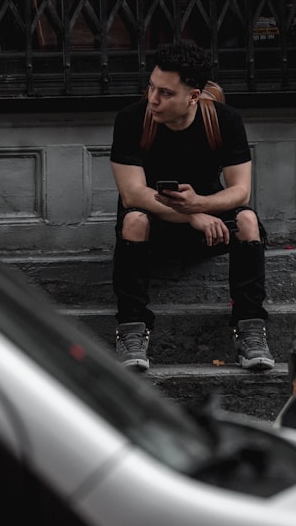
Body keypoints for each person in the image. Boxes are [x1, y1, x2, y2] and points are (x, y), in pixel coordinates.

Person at [109, 40, 273, 371]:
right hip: (155, 227)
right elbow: (133, 194)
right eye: (152, 87)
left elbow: (241, 191)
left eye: (166, 93)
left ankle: (250, 329)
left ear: (193, 96)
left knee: (247, 221)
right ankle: (132, 330)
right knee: (134, 220)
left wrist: (201, 205)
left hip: (209, 228)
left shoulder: (224, 121)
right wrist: (193, 215)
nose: (153, 99)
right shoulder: (131, 120)